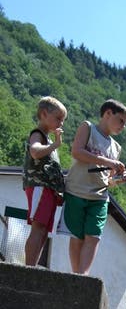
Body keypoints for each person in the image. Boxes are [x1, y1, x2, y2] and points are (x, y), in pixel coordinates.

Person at [60, 99, 126, 275]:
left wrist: (117, 180)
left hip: (99, 197)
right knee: (77, 236)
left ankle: (82, 277)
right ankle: (76, 277)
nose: (123, 126)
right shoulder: (88, 127)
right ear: (108, 113)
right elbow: (76, 151)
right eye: (121, 120)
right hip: (76, 190)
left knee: (94, 237)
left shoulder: (116, 147)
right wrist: (108, 161)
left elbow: (108, 180)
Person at [23, 96, 67, 266]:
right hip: (39, 187)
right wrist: (55, 145)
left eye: (62, 120)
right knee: (38, 228)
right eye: (58, 118)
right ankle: (29, 267)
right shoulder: (38, 134)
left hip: (47, 190)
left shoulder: (48, 139)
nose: (61, 123)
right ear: (43, 114)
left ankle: (32, 266)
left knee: (43, 232)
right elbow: (35, 152)